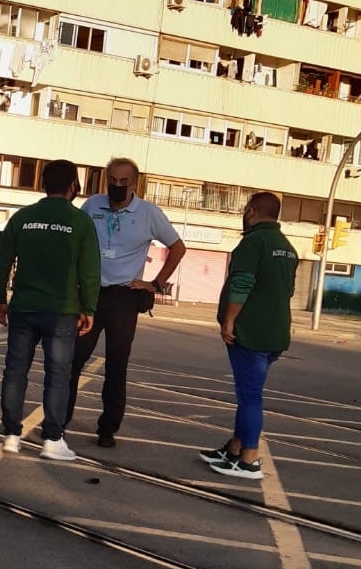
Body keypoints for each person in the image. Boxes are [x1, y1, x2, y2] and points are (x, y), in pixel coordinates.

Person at [65, 157, 186, 447]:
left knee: (116, 366)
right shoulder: (93, 205)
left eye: (124, 182)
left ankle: (107, 429)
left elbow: (178, 248)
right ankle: (58, 421)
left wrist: (154, 284)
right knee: (72, 361)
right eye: (113, 181)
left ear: (135, 184)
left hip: (124, 297)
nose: (117, 186)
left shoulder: (148, 213)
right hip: (91, 294)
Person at [0, 159, 100, 461]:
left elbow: (2, 263)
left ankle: (11, 434)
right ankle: (52, 440)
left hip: (24, 308)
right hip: (62, 310)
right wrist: (89, 308)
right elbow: (89, 271)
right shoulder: (80, 223)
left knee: (15, 370)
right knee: (58, 375)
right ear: (72, 186)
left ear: (43, 184)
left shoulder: (23, 218)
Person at [200, 192, 298, 480]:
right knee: (249, 394)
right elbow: (288, 290)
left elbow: (242, 284)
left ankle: (249, 460)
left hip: (251, 334)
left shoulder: (253, 242)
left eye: (246, 210)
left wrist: (229, 320)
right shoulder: (287, 247)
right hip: (276, 334)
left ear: (252, 211)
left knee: (250, 397)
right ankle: (234, 449)